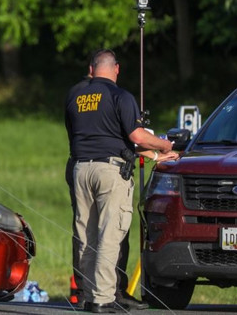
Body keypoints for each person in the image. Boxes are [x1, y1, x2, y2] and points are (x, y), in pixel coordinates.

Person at [65, 49, 176, 313]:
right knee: (109, 234)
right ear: (116, 68)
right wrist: (163, 145)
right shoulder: (120, 96)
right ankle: (103, 298)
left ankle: (89, 294)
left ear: (93, 68)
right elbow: (136, 135)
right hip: (110, 172)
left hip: (81, 169)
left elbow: (102, 135)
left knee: (86, 235)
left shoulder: (76, 97)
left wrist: (149, 155)